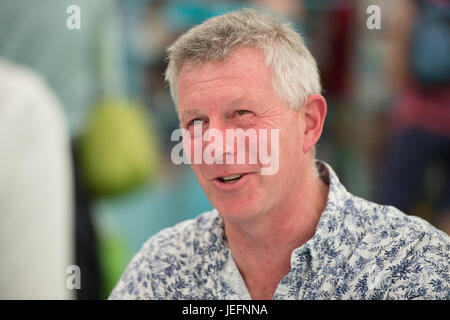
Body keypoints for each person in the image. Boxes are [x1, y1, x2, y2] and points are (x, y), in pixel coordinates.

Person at [109, 9, 449, 300]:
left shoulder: (410, 267)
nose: (215, 145)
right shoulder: (162, 267)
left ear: (309, 123)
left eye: (241, 114)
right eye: (196, 121)